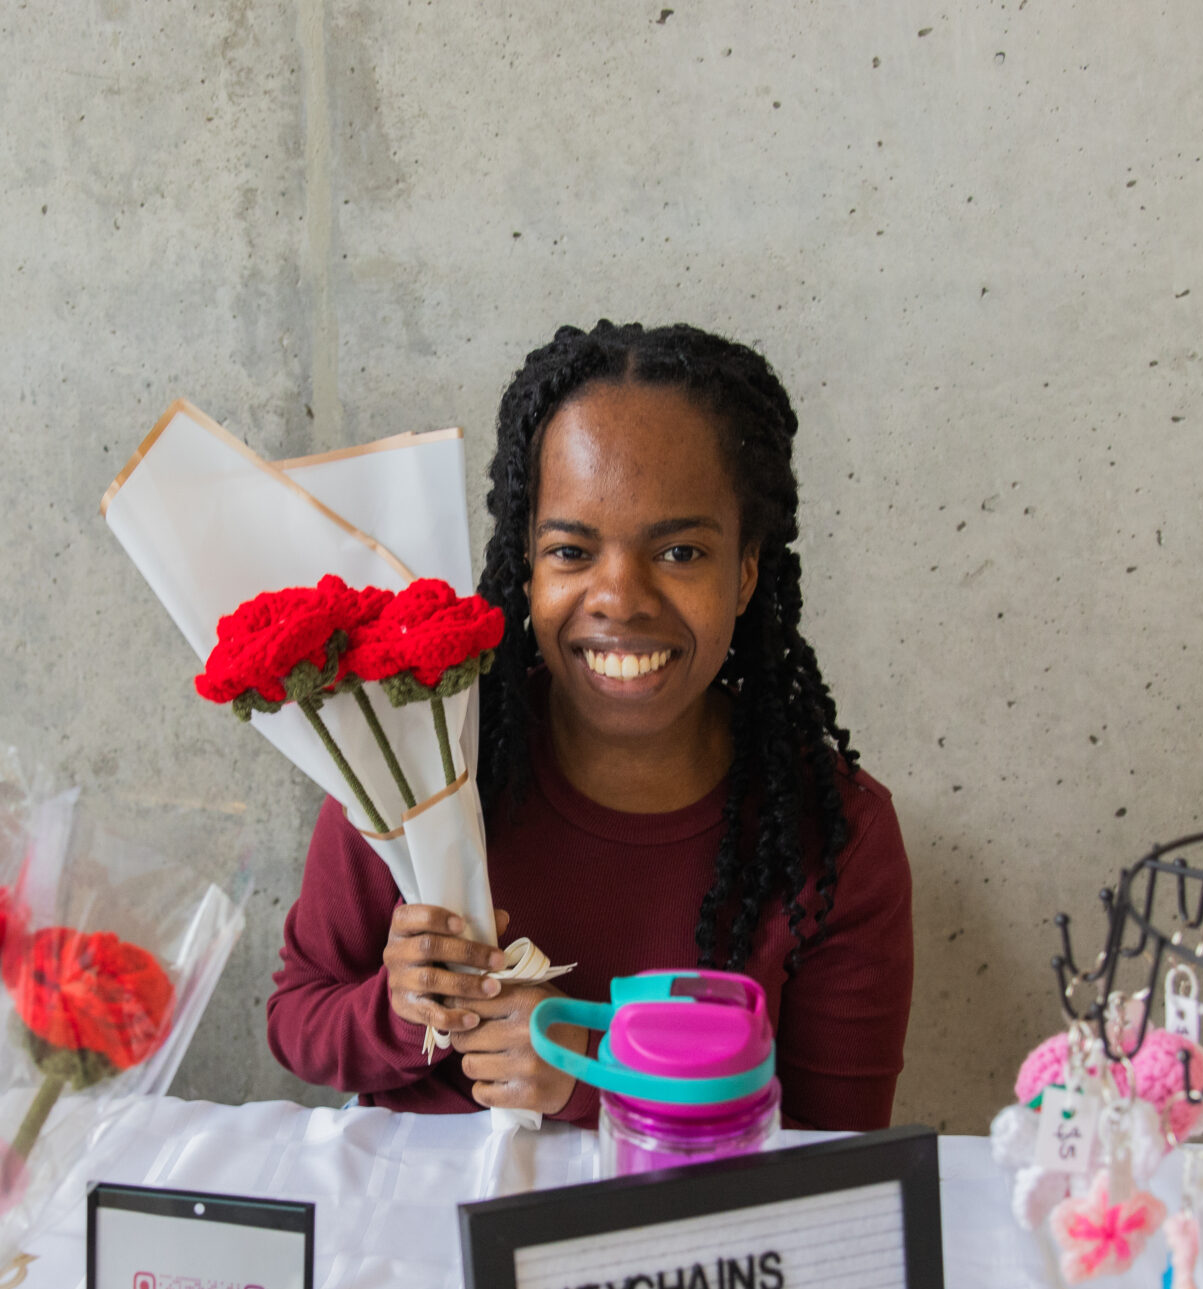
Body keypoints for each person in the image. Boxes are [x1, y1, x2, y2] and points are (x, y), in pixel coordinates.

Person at [267, 321, 913, 1128]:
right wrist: (406, 1010)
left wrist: (593, 1085)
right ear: (525, 567)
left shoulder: (837, 834)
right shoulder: (418, 759)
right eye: (571, 551)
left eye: (679, 552)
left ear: (747, 571)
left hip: (681, 1249)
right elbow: (297, 1021)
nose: (620, 598)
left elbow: (835, 1153)